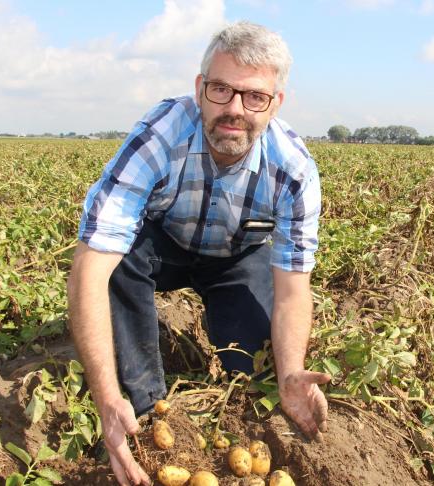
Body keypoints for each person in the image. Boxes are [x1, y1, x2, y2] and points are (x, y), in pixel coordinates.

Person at [67, 21, 330, 486]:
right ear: (199, 89)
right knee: (119, 262)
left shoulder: (293, 170)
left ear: (275, 104)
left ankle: (238, 401)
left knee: (247, 369)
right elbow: (90, 268)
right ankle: (146, 411)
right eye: (221, 89)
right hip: (161, 247)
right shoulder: (159, 137)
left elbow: (293, 290)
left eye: (254, 96)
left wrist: (290, 372)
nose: (234, 109)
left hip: (238, 259)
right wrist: (106, 398)